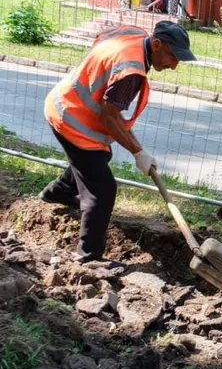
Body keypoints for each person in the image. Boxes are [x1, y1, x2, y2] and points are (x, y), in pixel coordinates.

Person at [40, 21, 197, 263]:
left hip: (66, 102)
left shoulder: (134, 35)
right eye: (173, 57)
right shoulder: (131, 71)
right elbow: (109, 116)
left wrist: (138, 149)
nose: (174, 66)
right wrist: (137, 152)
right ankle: (88, 256)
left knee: (99, 158)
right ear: (156, 44)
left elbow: (101, 38)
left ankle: (56, 193)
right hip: (71, 118)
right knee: (102, 189)